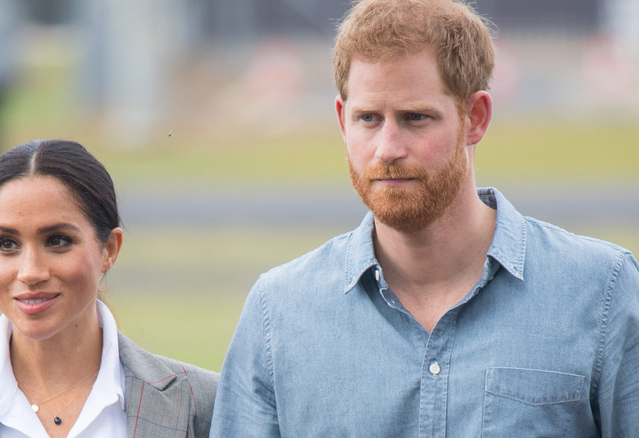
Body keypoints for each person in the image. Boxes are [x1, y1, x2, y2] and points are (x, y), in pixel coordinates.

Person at [210, 0, 639, 436]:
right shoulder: (278, 313)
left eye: (415, 118)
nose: (387, 149)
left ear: (475, 118)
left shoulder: (601, 292)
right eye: (368, 119)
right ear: (342, 121)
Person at [0, 139, 218, 437]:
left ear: (109, 249)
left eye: (57, 240)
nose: (31, 272)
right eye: (7, 244)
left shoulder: (204, 405)